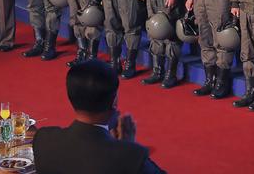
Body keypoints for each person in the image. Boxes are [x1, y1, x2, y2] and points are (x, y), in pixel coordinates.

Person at [32, 60, 166, 174]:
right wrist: (128, 147)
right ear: (114, 102)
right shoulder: (130, 156)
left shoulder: (43, 139)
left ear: (70, 97)